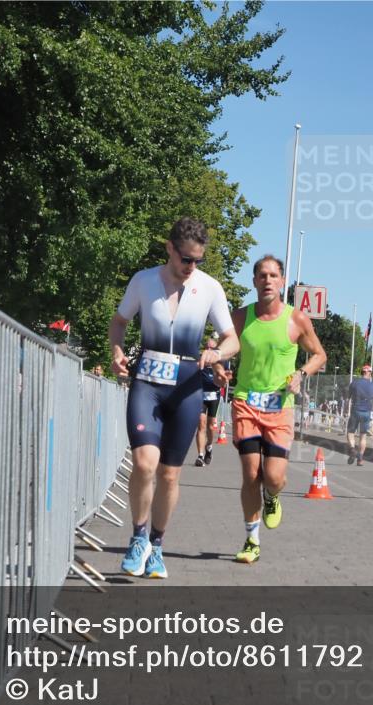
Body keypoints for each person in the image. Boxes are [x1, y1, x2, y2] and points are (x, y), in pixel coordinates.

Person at [109, 218, 239, 579]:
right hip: (147, 383)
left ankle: (158, 545)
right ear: (170, 249)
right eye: (186, 259)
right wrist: (116, 352)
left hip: (186, 388)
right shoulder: (143, 281)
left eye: (198, 260)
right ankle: (138, 537)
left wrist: (216, 355)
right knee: (144, 463)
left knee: (168, 474)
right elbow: (119, 321)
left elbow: (232, 338)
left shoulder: (210, 288)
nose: (191, 267)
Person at [215, 255, 326, 564]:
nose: (267, 280)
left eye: (273, 275)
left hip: (280, 408)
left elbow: (319, 355)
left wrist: (300, 375)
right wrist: (218, 367)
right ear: (254, 282)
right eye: (261, 275)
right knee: (251, 473)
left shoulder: (296, 320)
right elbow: (219, 347)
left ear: (281, 282)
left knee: (273, 477)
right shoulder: (239, 317)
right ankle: (251, 539)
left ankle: (272, 496)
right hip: (246, 403)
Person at [194, 337, 222, 467]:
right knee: (201, 424)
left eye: (212, 348)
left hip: (214, 397)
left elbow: (224, 382)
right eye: (207, 348)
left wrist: (223, 378)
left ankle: (209, 447)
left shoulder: (220, 363)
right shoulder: (200, 361)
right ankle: (200, 456)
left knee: (211, 427)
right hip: (200, 396)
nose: (209, 350)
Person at [346, 363, 373, 466]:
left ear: (362, 372)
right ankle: (360, 459)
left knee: (350, 432)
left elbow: (349, 397)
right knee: (363, 436)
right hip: (366, 413)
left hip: (355, 410)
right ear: (369, 373)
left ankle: (352, 449)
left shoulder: (354, 383)